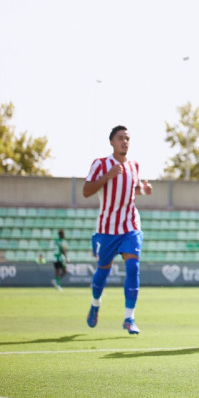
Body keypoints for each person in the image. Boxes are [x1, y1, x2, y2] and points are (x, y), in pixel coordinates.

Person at [83, 125, 152, 334]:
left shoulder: (134, 166)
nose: (125, 142)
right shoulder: (101, 164)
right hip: (107, 229)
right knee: (103, 270)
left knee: (133, 268)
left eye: (127, 138)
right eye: (120, 138)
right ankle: (95, 304)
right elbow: (86, 191)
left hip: (130, 225)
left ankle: (129, 318)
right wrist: (107, 176)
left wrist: (144, 190)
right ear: (112, 142)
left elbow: (133, 189)